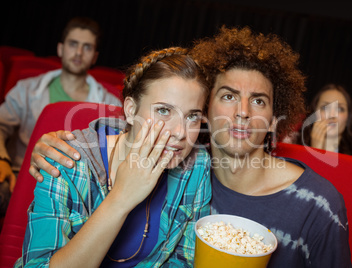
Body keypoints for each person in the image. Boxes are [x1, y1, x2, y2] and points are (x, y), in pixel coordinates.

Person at [29, 26, 351, 267]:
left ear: (274, 116)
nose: (242, 111)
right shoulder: (190, 163)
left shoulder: (318, 205)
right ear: (209, 111)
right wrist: (67, 143)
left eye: (259, 100)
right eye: (228, 96)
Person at [15, 47, 211, 267]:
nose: (181, 132)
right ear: (130, 109)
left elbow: (184, 259)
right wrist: (120, 198)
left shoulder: (196, 165)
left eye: (192, 116)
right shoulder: (66, 161)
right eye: (164, 110)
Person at [0, 17, 122, 217]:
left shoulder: (110, 104)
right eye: (73, 44)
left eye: (87, 47)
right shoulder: (27, 88)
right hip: (19, 178)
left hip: (79, 192)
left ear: (94, 57)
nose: (79, 52)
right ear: (60, 49)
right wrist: (1, 158)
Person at [297, 83, 352, 157]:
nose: (332, 115)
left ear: (348, 117)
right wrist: (315, 151)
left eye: (339, 109)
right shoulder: (294, 152)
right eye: (325, 108)